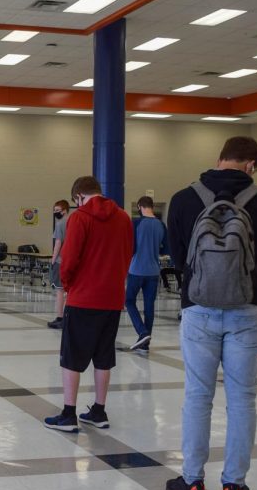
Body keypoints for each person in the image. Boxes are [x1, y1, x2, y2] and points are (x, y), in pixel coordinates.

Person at [165, 136, 257, 490]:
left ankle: (193, 482)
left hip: (197, 309)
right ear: (251, 164)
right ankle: (234, 486)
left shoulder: (184, 200)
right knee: (242, 400)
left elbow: (180, 260)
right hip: (248, 311)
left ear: (219, 160)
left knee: (198, 397)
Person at [44, 177, 132, 434]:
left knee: (72, 356)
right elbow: (128, 254)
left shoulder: (80, 217)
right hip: (112, 298)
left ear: (79, 196)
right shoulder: (124, 217)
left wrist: (69, 285)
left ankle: (68, 414)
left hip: (84, 298)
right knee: (104, 356)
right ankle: (99, 410)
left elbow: (69, 258)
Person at [125, 196, 169, 351]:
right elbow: (165, 249)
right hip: (153, 271)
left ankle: (142, 332)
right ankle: (145, 343)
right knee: (149, 306)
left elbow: (131, 247)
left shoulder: (136, 223)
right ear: (151, 206)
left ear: (139, 206)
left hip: (136, 269)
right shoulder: (161, 225)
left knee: (129, 301)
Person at [48, 200, 71, 329]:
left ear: (65, 210)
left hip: (61, 260)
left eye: (58, 210)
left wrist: (53, 259)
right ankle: (68, 316)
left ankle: (60, 317)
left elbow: (58, 243)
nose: (56, 213)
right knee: (70, 291)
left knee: (59, 290)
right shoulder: (74, 221)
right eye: (54, 210)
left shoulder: (60, 223)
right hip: (72, 260)